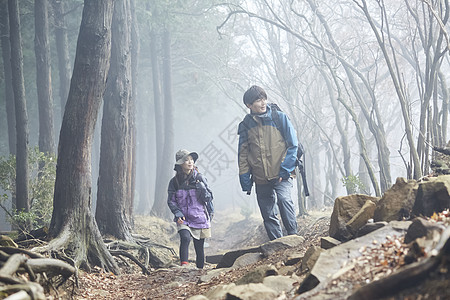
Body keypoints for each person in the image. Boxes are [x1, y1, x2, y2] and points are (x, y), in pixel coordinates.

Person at [237, 85, 299, 240]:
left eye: (263, 98)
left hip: (281, 174)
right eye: (258, 100)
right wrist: (245, 179)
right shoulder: (245, 125)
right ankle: (277, 245)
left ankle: (293, 238)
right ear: (249, 105)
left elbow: (293, 145)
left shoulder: (279, 118)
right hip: (260, 177)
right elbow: (243, 154)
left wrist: (285, 170)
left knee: (284, 200)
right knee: (267, 213)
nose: (263, 103)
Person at [167, 149, 214, 268]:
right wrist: (177, 213)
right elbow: (171, 200)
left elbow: (209, 198)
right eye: (186, 160)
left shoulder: (200, 177)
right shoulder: (175, 182)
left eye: (191, 160)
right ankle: (184, 268)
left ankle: (199, 271)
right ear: (180, 164)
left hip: (199, 217)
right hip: (183, 218)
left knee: (199, 248)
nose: (190, 162)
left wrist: (202, 188)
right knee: (185, 237)